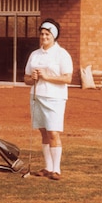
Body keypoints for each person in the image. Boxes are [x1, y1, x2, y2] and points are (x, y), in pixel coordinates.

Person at [24, 18, 73, 181]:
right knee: (43, 131)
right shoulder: (35, 54)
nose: (44, 37)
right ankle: (47, 167)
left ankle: (56, 169)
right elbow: (26, 79)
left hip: (55, 98)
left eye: (47, 34)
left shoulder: (62, 54)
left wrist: (47, 77)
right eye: (42, 34)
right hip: (37, 97)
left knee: (53, 132)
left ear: (54, 36)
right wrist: (34, 77)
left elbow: (68, 79)